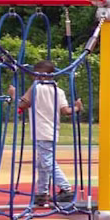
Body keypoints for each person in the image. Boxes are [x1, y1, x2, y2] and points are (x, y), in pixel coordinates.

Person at [22, 61, 77, 205]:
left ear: (40, 76)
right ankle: (42, 193)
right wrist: (77, 108)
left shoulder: (36, 88)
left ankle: (66, 188)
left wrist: (14, 94)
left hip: (40, 131)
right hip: (51, 131)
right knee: (42, 163)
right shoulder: (59, 91)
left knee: (46, 161)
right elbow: (66, 111)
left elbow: (23, 103)